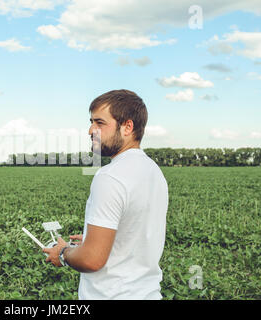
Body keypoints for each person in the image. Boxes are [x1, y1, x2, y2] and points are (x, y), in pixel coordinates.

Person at [43, 89, 169, 300]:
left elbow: (91, 260)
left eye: (100, 123)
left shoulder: (110, 176)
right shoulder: (153, 171)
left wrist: (63, 253)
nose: (91, 130)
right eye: (91, 122)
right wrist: (97, 239)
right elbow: (135, 232)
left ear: (127, 127)